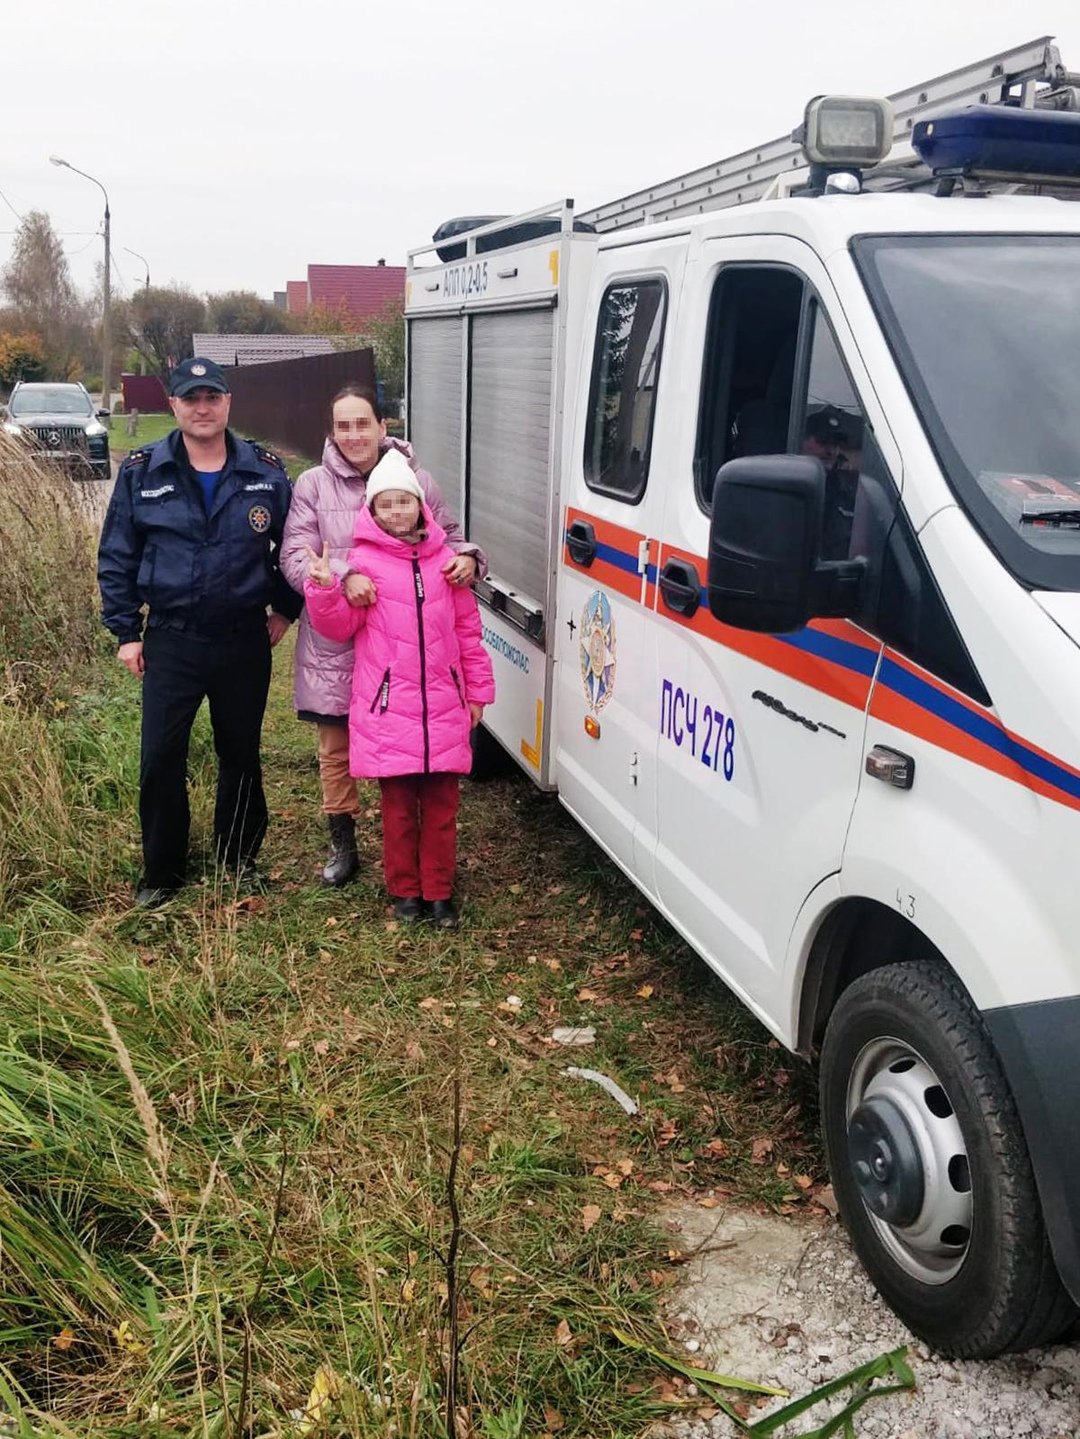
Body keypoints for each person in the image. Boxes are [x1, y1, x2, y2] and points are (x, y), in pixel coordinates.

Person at [97, 357, 301, 908]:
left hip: (242, 639)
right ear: (175, 406)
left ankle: (237, 858)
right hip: (172, 638)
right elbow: (117, 555)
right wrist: (126, 632)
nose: (203, 407)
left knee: (241, 751)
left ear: (228, 402)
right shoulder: (143, 472)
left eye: (212, 396)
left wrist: (284, 608)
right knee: (161, 755)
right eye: (191, 398)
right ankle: (162, 871)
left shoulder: (264, 470)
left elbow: (298, 545)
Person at [280, 384, 486, 887]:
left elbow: (451, 540)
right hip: (336, 644)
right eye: (343, 426)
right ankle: (344, 841)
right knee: (337, 748)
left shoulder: (419, 482)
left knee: (405, 748)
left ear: (382, 427)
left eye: (362, 424)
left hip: (406, 643)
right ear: (333, 432)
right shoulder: (311, 485)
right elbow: (294, 557)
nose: (353, 435)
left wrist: (469, 560)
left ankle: (416, 856)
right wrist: (342, 574)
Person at [302, 449, 495, 928]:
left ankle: (440, 891)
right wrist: (327, 588)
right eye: (385, 505)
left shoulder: (449, 565)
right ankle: (406, 891)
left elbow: (469, 634)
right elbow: (338, 626)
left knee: (443, 809)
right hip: (390, 711)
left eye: (403, 503)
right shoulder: (362, 567)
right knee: (399, 811)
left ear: (420, 506)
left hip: (444, 706)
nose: (395, 512)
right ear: (371, 510)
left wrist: (477, 693)